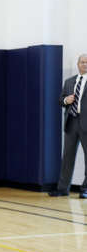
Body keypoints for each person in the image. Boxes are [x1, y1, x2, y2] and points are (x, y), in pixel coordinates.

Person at [49, 54, 87, 198]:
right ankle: (62, 188)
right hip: (72, 122)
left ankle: (85, 189)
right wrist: (66, 99)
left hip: (86, 123)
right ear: (78, 64)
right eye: (82, 62)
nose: (84, 64)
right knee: (67, 157)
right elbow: (60, 100)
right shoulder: (69, 81)